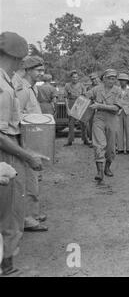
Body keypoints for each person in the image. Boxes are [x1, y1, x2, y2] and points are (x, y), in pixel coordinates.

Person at [0, 31, 43, 275]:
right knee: (11, 213)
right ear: (17, 58)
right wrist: (26, 156)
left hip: (11, 145)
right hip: (6, 154)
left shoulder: (6, 81)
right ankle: (6, 266)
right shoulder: (3, 86)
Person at [12, 56, 49, 233]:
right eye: (37, 70)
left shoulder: (29, 87)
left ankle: (32, 212)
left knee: (33, 178)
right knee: (29, 180)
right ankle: (28, 219)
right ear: (27, 70)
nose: (41, 73)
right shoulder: (22, 89)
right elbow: (17, 116)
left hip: (32, 137)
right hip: (26, 140)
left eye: (42, 70)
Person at [84, 69, 121, 182]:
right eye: (109, 78)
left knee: (111, 149)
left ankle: (107, 167)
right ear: (104, 78)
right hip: (98, 119)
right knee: (99, 145)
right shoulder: (96, 89)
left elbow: (116, 108)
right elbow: (84, 98)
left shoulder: (118, 91)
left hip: (112, 120)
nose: (112, 80)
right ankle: (99, 172)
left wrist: (99, 105)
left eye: (114, 78)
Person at [64, 70, 89, 147]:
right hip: (71, 102)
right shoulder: (67, 85)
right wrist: (67, 108)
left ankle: (85, 139)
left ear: (78, 78)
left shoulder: (82, 85)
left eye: (76, 77)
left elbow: (85, 96)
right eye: (73, 77)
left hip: (80, 102)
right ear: (71, 78)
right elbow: (65, 98)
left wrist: (84, 106)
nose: (75, 78)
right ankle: (70, 140)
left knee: (83, 123)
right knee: (71, 123)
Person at [117, 73, 129, 155]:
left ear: (127, 81)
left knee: (128, 130)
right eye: (120, 80)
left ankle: (128, 148)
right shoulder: (117, 90)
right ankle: (120, 148)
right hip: (119, 111)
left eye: (123, 80)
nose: (121, 82)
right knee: (119, 130)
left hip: (127, 111)